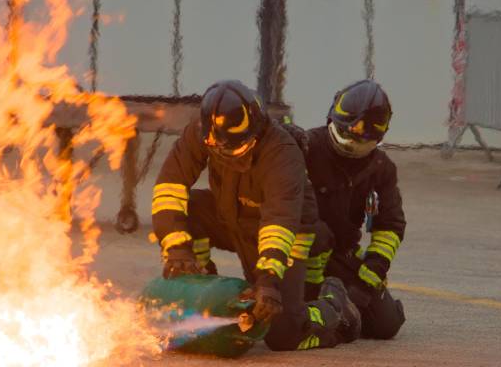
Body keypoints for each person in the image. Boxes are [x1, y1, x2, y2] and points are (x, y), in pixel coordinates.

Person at [151, 80, 360, 350]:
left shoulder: (282, 153)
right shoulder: (205, 132)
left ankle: (336, 304)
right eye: (217, 147)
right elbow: (170, 185)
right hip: (231, 218)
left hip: (285, 235)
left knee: (283, 334)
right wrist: (176, 248)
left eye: (233, 147)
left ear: (255, 130)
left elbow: (280, 220)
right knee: (187, 206)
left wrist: (269, 280)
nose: (224, 152)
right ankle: (202, 277)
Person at [303, 79, 406, 340]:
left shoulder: (381, 169)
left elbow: (390, 225)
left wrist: (368, 278)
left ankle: (335, 304)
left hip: (340, 255)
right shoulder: (305, 147)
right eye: (346, 133)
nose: (351, 143)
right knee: (294, 316)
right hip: (299, 252)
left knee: (385, 326)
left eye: (360, 138)